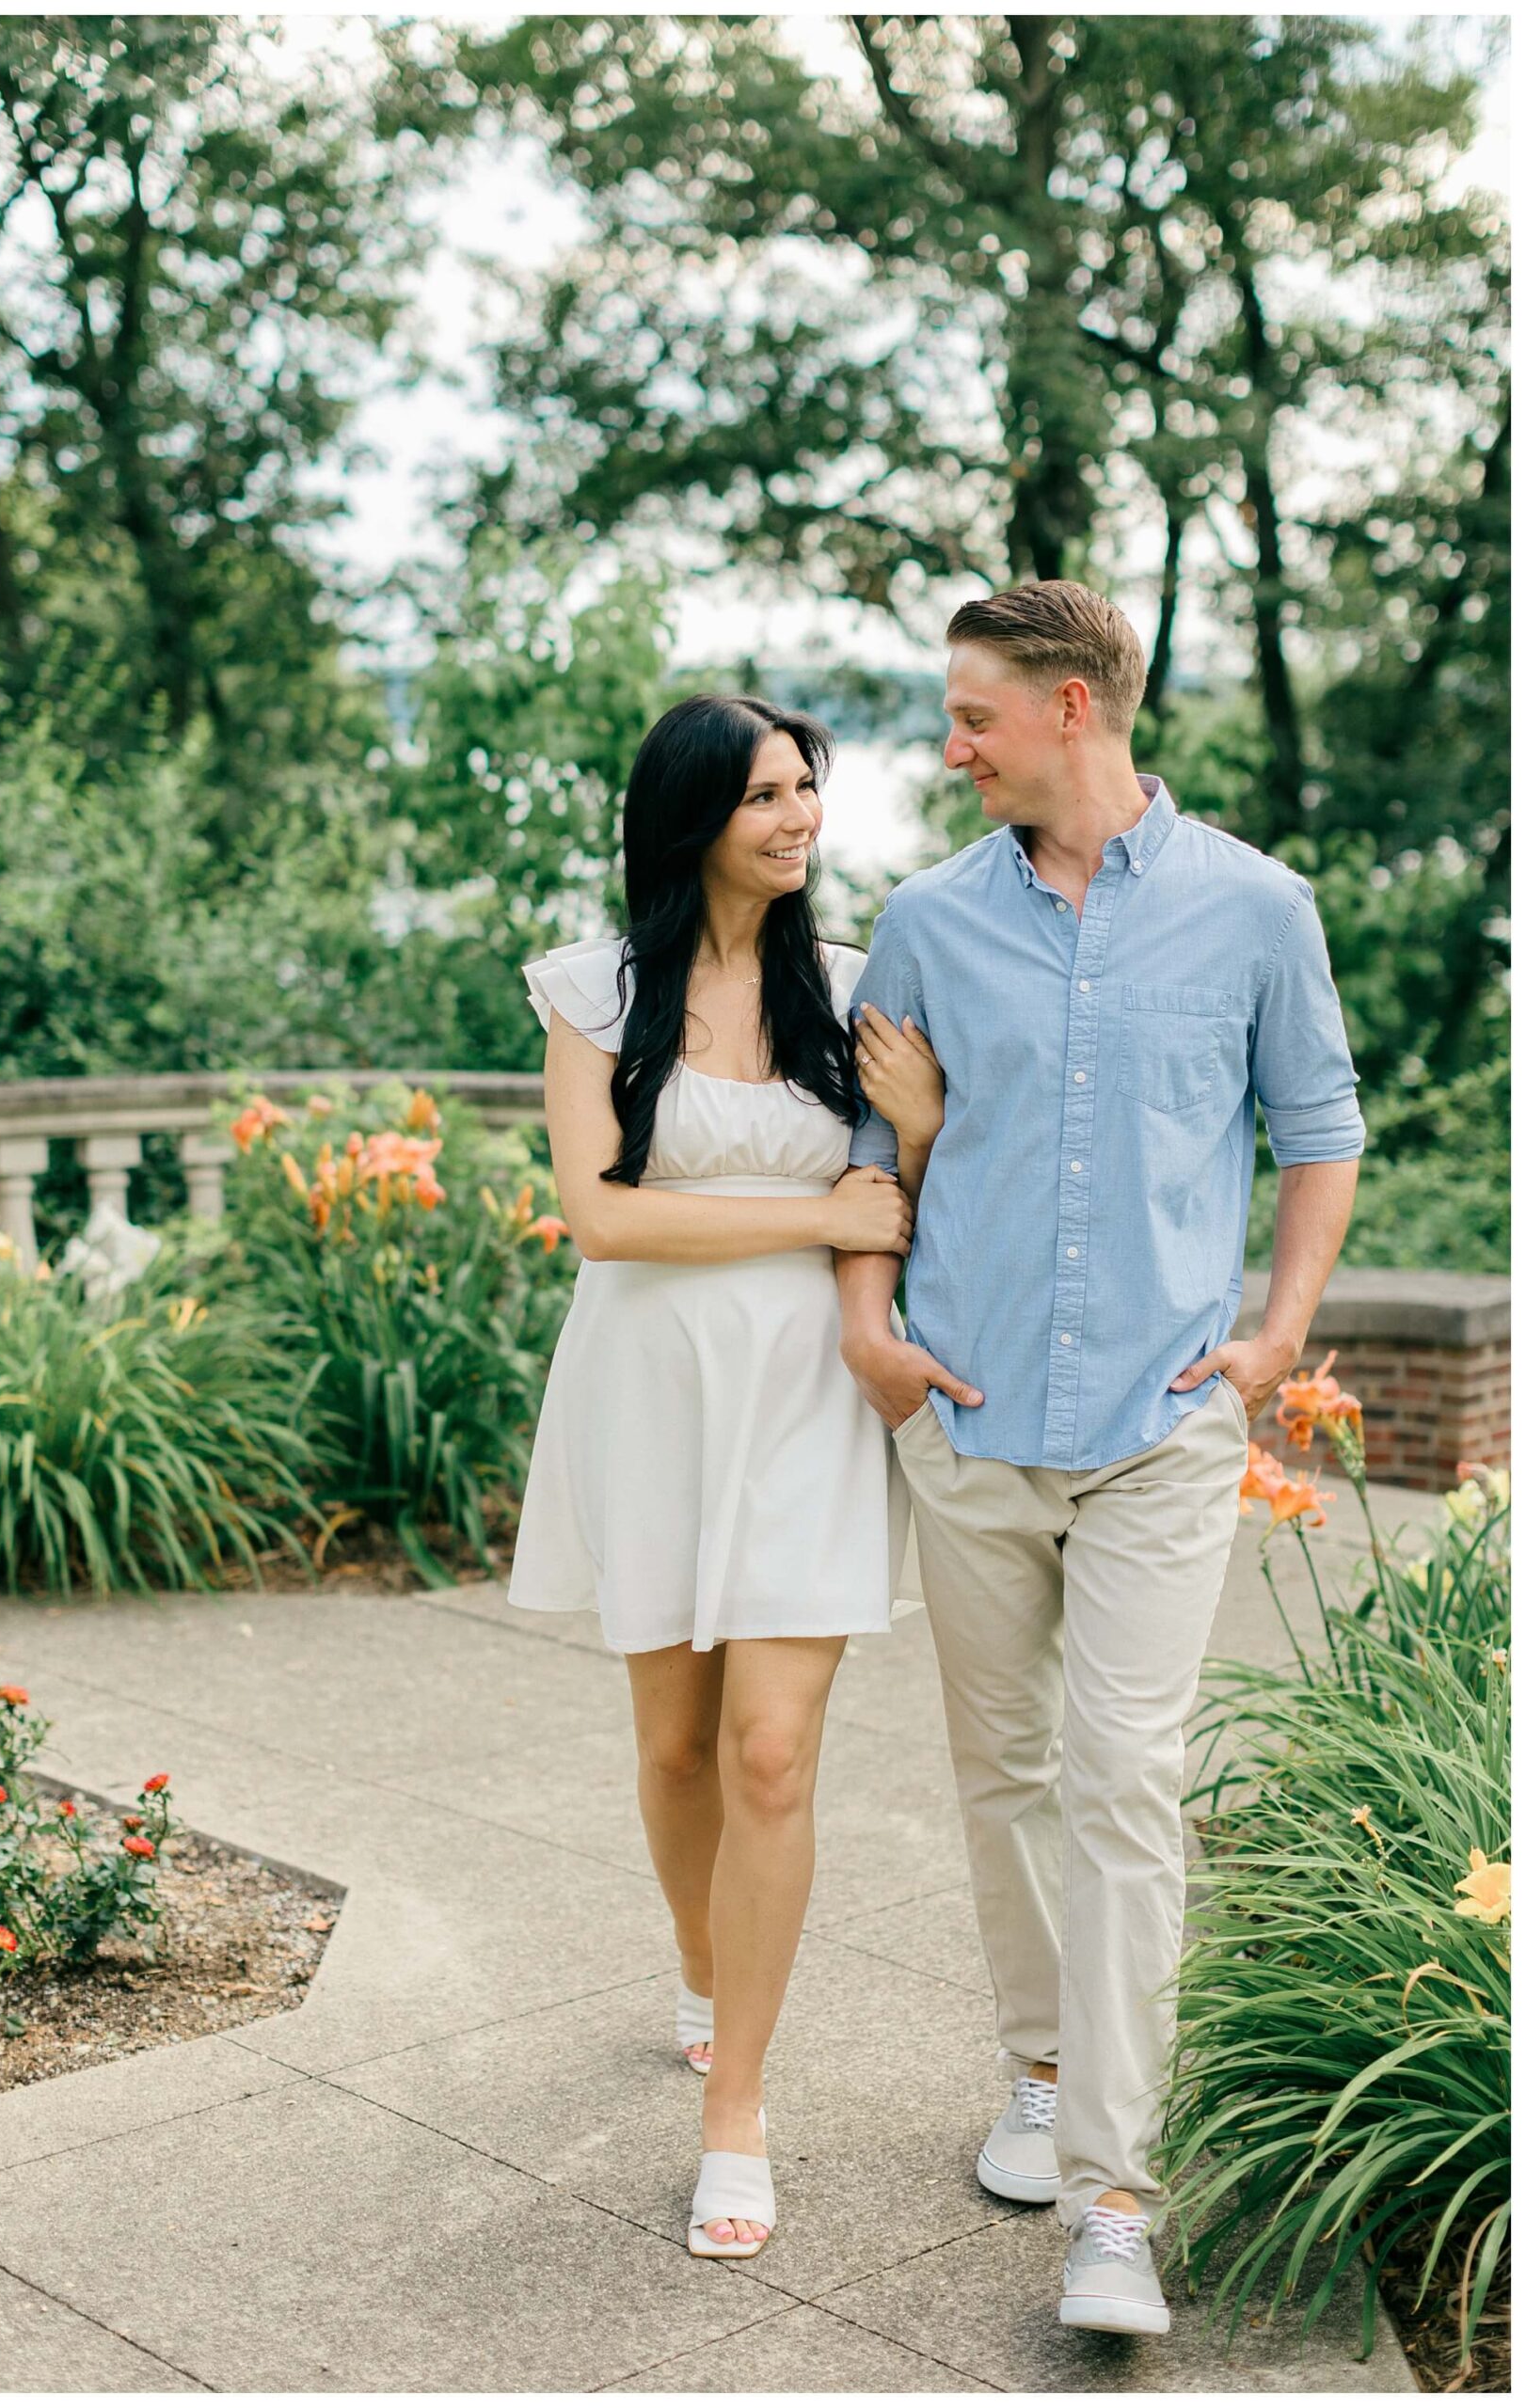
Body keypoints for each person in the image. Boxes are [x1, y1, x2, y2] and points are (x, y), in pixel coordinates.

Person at [835, 580, 1364, 2337]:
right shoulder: (922, 922)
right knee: (1003, 1772)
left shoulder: (1253, 909)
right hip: (971, 1423)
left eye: (972, 712)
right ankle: (1044, 2069)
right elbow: (869, 1151)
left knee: (1124, 1777)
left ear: (1074, 707)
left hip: (1157, 1429)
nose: (949, 742)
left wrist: (1277, 1329)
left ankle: (1114, 2200)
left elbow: (1319, 1127)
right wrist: (873, 1322)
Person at [508, 692, 963, 2261]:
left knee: (771, 1752)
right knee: (680, 1747)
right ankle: (702, 1973)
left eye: (806, 790)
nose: (795, 819)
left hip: (802, 1398)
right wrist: (817, 1217)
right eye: (764, 793)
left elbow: (897, 1198)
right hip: (645, 1388)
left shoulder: (851, 992)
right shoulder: (594, 993)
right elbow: (605, 1217)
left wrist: (910, 1140)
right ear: (691, 813)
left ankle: (738, 2113)